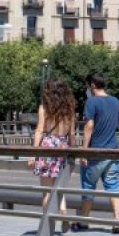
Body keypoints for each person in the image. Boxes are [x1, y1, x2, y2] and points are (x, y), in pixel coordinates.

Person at [75, 72, 119, 233]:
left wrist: (83, 150)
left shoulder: (91, 102)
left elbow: (89, 126)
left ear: (93, 85)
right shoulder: (115, 101)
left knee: (88, 186)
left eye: (87, 86)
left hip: (95, 151)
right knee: (113, 185)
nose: (87, 89)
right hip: (112, 150)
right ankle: (117, 219)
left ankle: (84, 220)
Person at [29, 80, 74, 218]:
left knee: (47, 190)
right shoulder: (70, 109)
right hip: (64, 147)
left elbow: (39, 131)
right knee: (59, 187)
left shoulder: (44, 108)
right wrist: (73, 152)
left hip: (48, 147)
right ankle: (63, 212)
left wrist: (32, 154)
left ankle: (48, 223)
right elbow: (72, 133)